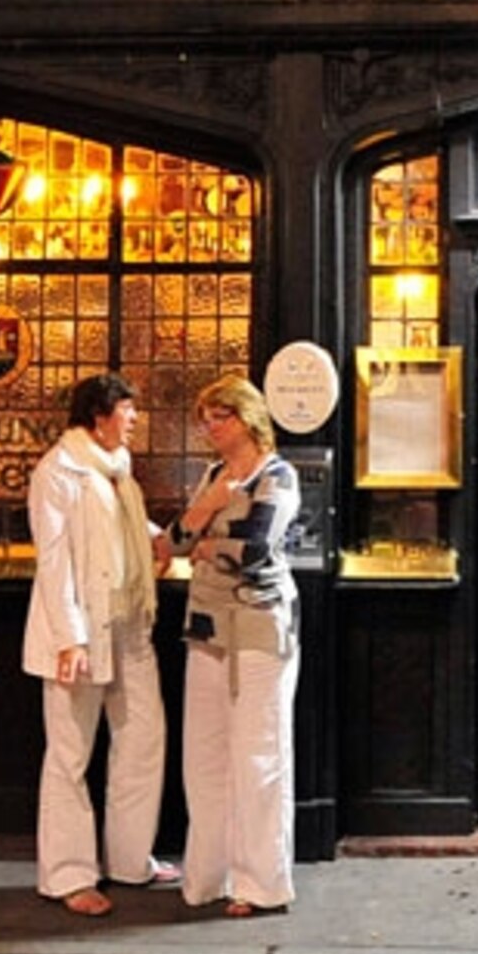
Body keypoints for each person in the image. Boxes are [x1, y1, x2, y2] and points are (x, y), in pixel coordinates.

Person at [21, 371, 172, 916]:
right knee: (69, 755)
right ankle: (68, 875)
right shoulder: (57, 474)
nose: (134, 420)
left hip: (129, 624)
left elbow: (116, 528)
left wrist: (155, 536)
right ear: (99, 416)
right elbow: (54, 561)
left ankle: (132, 859)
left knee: (142, 739)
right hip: (80, 633)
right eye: (127, 411)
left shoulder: (115, 470)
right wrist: (69, 640)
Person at [172, 375, 302, 917]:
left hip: (258, 623)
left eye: (218, 416)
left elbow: (255, 548)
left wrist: (205, 542)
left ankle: (260, 882)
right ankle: (209, 874)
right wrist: (204, 516)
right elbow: (174, 542)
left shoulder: (279, 475)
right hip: (206, 623)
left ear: (247, 419)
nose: (209, 427)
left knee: (259, 754)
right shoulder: (212, 475)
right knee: (204, 755)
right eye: (205, 417)